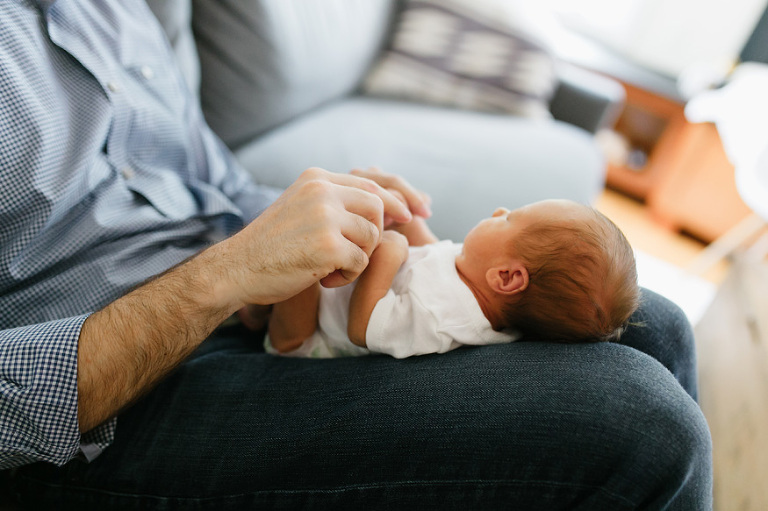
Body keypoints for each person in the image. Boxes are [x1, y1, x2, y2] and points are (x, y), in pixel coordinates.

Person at [0, 1, 712, 509]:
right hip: (109, 407)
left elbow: (209, 176)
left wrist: (324, 213)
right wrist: (226, 274)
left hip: (237, 302)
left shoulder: (109, 10)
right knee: (648, 433)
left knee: (656, 327)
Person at [268, 199, 640, 358]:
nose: (499, 210)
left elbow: (363, 329)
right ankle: (258, 309)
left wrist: (387, 256)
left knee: (302, 256)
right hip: (334, 295)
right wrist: (408, 218)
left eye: (509, 218)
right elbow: (432, 257)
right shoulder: (478, 279)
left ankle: (268, 323)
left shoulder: (445, 319)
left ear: (506, 277)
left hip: (312, 338)